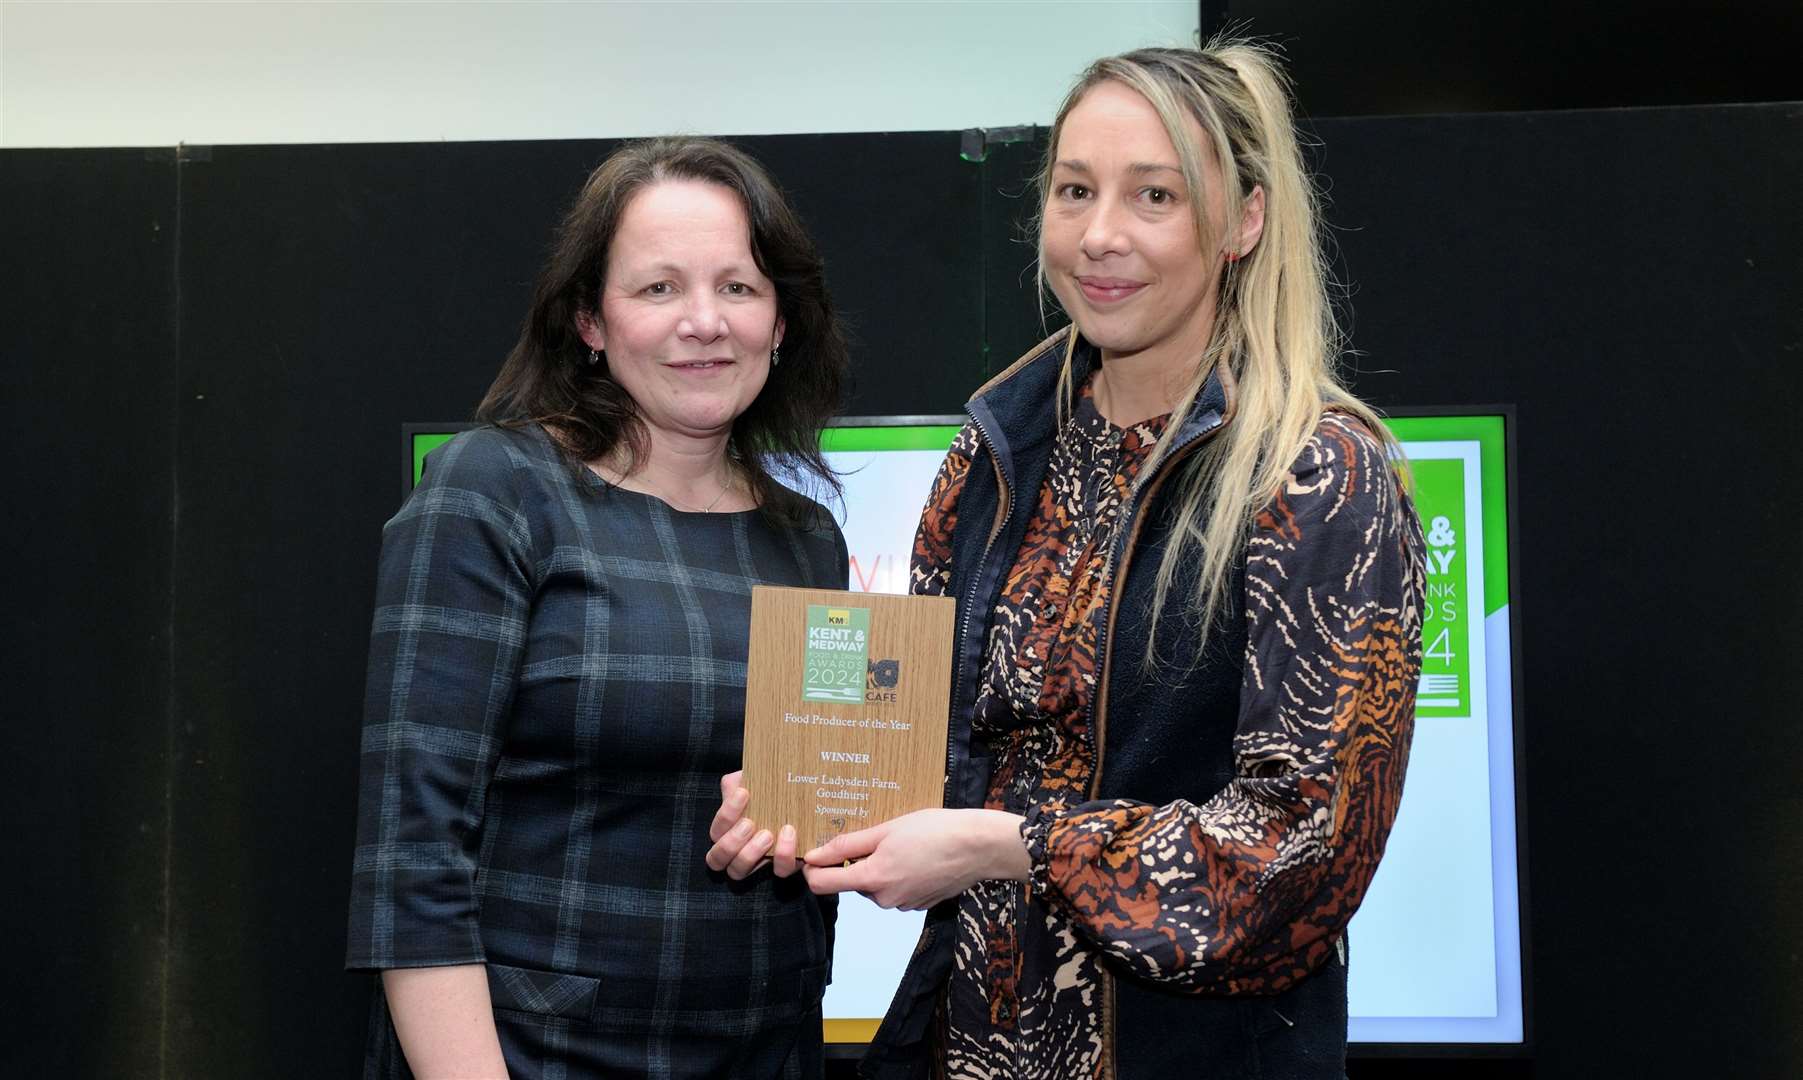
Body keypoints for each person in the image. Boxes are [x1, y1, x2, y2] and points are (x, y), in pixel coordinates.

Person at [709, 41, 1426, 1078]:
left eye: (1155, 197)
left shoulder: (1317, 478)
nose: (1100, 237)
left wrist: (1015, 847)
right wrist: (804, 801)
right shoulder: (995, 453)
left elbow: (1300, 855)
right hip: (966, 1044)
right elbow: (941, 761)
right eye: (1075, 190)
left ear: (1243, 223)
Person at [346, 137, 850, 1079]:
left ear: (781, 320)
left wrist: (814, 816)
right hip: (536, 1054)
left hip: (767, 1047)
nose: (703, 322)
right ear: (589, 319)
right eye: (657, 289)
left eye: (737, 288)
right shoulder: (493, 492)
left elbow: (820, 795)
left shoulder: (809, 539)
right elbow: (413, 855)